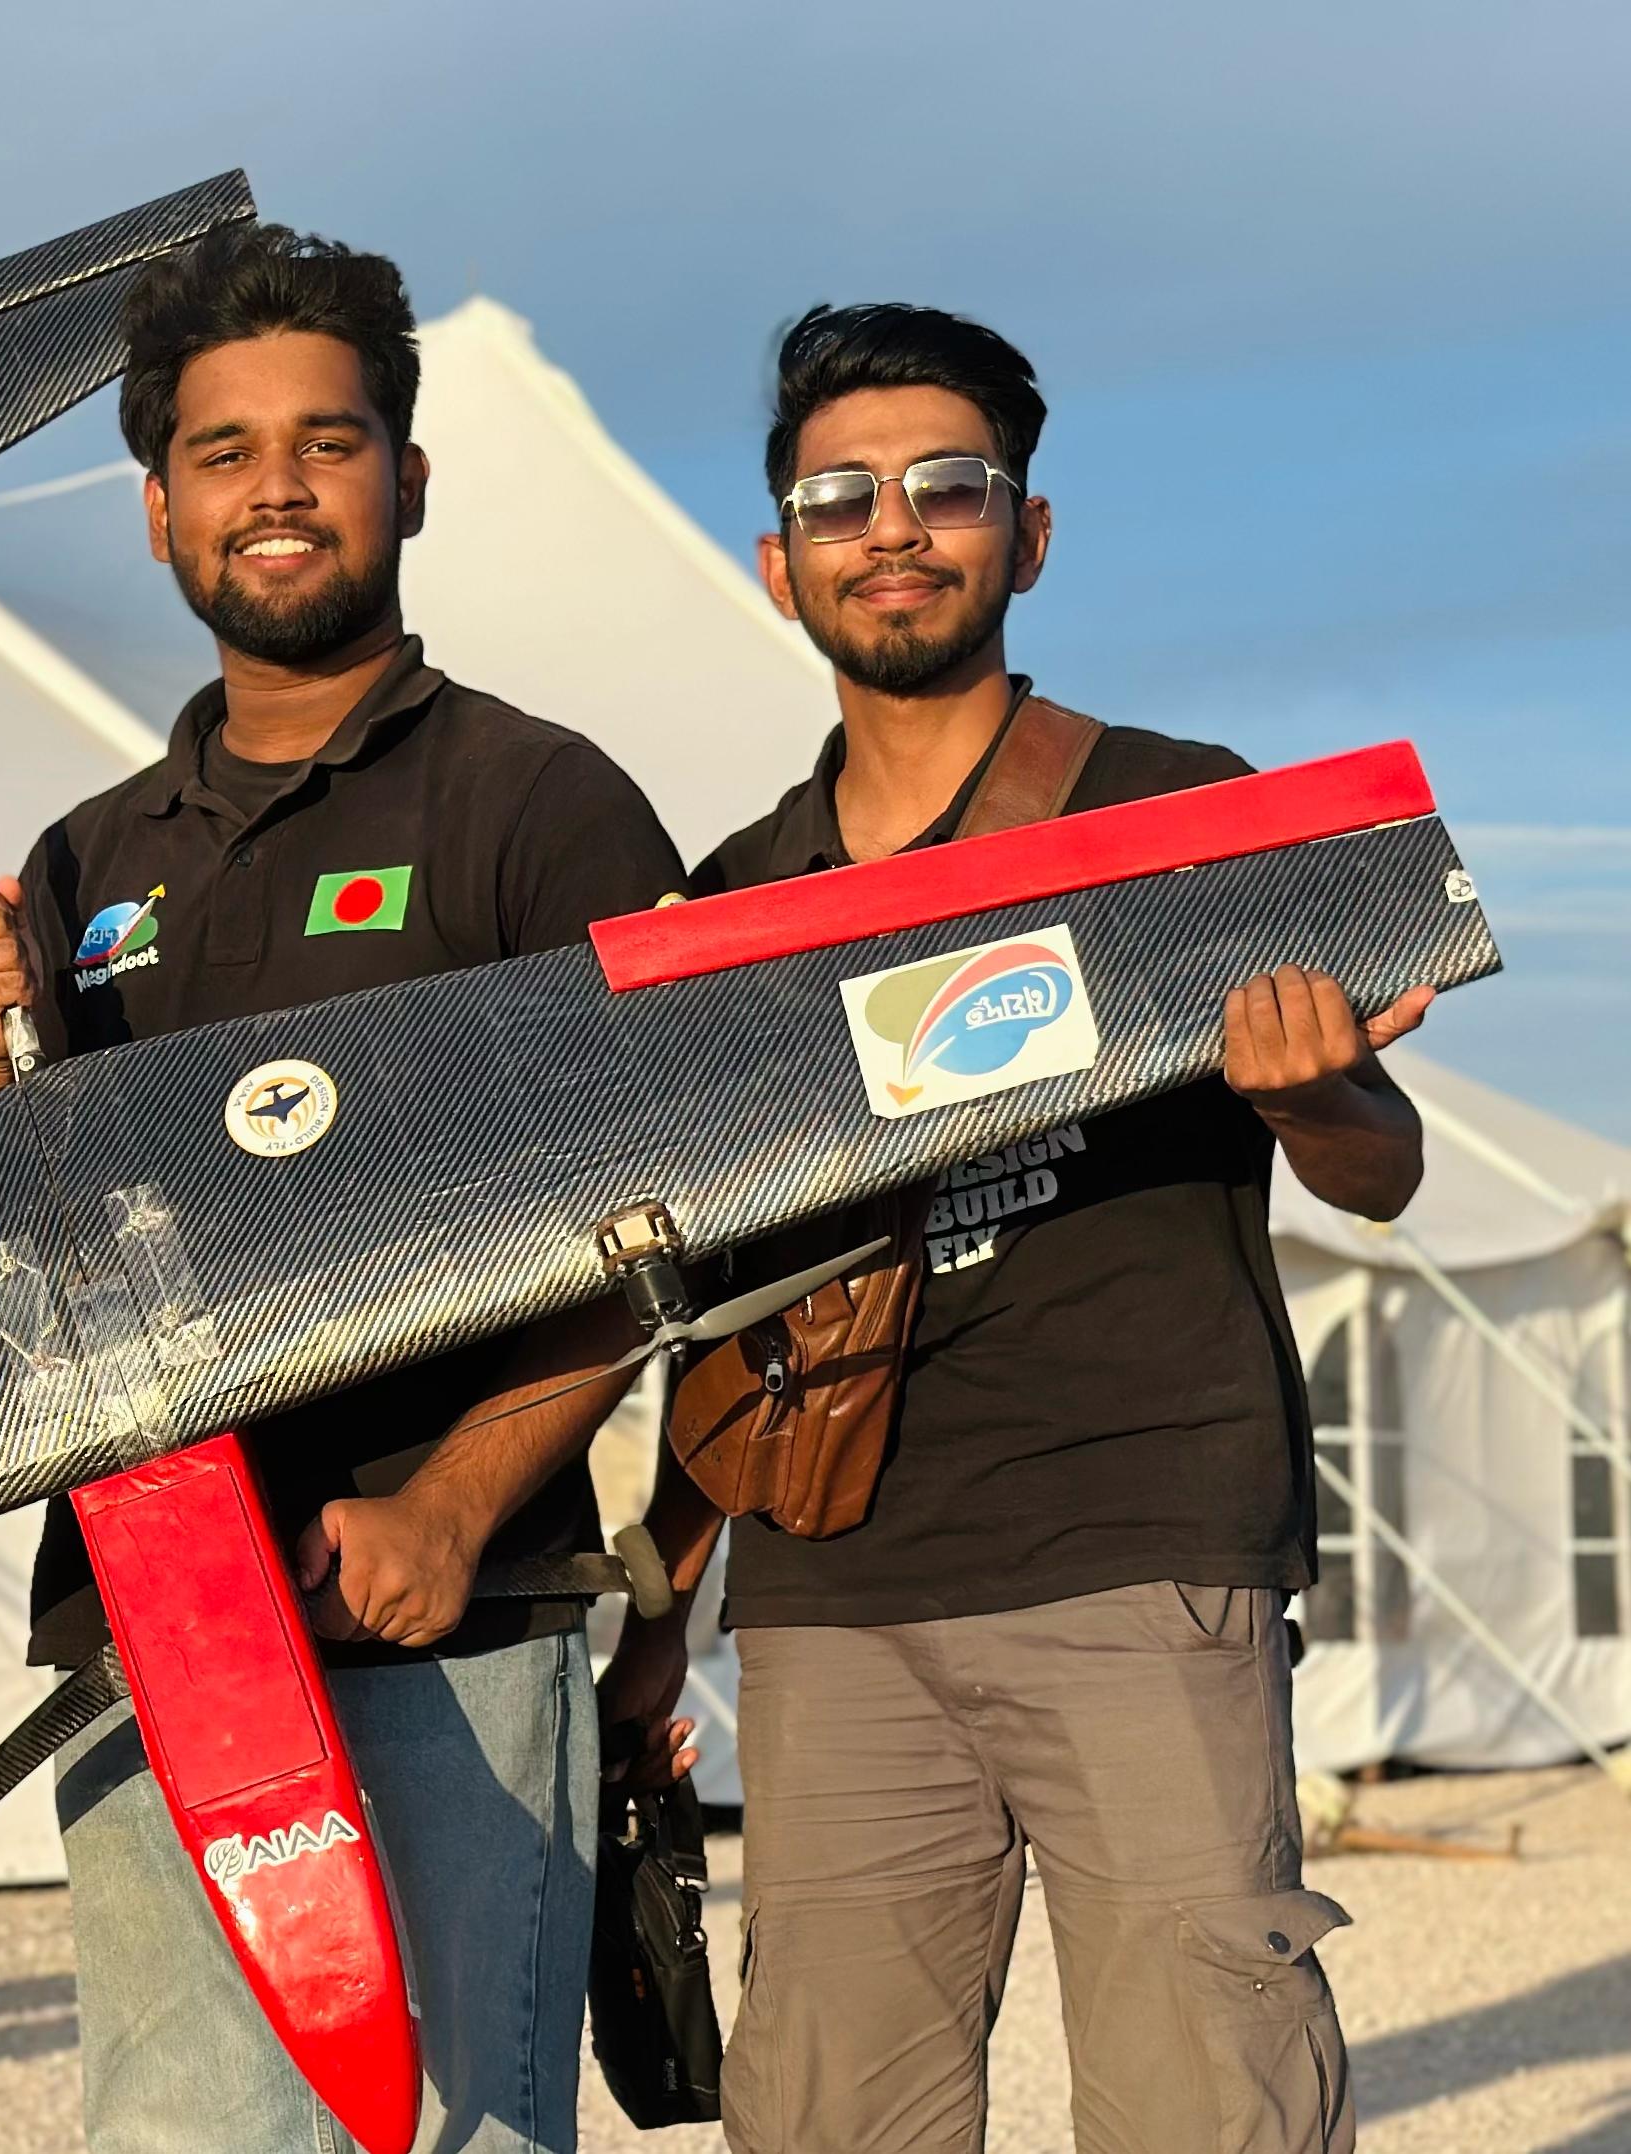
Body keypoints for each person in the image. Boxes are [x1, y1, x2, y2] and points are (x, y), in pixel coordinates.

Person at [601, 305, 1432, 2154]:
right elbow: (717, 1314)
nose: (890, 528)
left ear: (1027, 535)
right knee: (828, 2121)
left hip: (1137, 1557)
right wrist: (661, 1612)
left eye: (945, 486)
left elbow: (1378, 1167)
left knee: (1203, 2109)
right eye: (837, 499)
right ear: (779, 565)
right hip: (830, 1595)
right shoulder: (729, 903)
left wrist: (1307, 1092)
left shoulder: (1176, 809)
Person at [0, 226, 685, 2152]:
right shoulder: (75, 863)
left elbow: (662, 1218)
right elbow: (0, 1258)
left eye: (325, 443)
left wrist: (453, 1500)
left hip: (453, 1613)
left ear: (405, 479)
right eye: (222, 451)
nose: (275, 486)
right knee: (189, 2133)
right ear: (158, 509)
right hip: (157, 1617)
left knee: (470, 2128)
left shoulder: (542, 803)